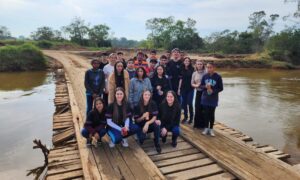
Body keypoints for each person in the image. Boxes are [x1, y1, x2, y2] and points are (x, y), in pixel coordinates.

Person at [200, 62, 223, 137]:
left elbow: (221, 88)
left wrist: (213, 90)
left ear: (214, 67)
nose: (209, 69)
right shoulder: (205, 76)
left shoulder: (218, 77)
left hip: (213, 98)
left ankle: (211, 129)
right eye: (207, 67)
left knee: (212, 114)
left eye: (210, 67)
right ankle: (206, 128)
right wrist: (205, 87)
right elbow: (201, 86)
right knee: (206, 114)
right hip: (205, 98)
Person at [178, 57, 194, 124]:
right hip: (183, 88)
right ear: (184, 62)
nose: (187, 62)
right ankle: (185, 117)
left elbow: (194, 78)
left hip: (190, 88)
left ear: (190, 62)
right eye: (185, 61)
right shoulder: (181, 69)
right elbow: (180, 79)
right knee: (184, 103)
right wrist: (179, 88)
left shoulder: (192, 69)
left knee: (190, 103)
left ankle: (191, 118)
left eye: (188, 61)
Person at [191, 60, 206, 129]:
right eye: (198, 64)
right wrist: (196, 85)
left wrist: (202, 85)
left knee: (204, 108)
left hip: (205, 93)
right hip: (198, 92)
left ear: (203, 65)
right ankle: (196, 124)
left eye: (201, 64)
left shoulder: (206, 73)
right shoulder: (194, 73)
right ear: (196, 65)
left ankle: (203, 125)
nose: (199, 65)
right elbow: (192, 83)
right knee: (197, 107)